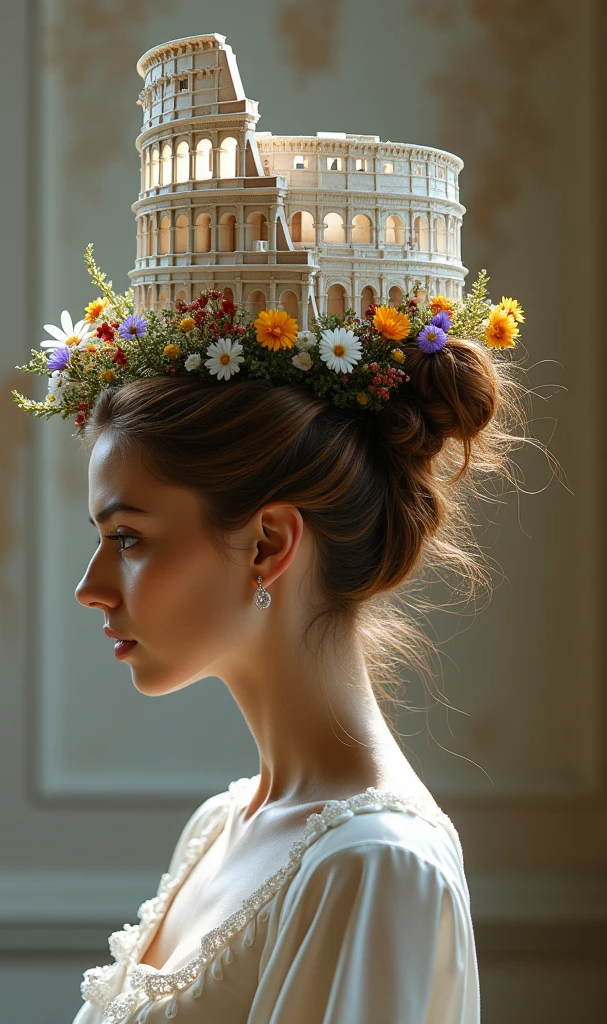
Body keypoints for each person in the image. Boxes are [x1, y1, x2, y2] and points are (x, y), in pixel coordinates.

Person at [65, 316, 528, 1022]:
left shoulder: (378, 863)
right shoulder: (222, 825)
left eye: (127, 537)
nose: (90, 586)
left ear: (267, 543)